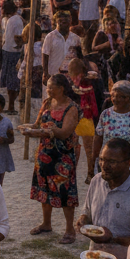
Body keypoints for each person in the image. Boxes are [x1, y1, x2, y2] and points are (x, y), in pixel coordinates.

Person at [26, 74, 81, 243]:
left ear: (62, 88)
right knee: (44, 190)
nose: (48, 90)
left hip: (63, 156)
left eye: (51, 87)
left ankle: (70, 230)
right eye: (47, 87)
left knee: (65, 192)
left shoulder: (72, 108)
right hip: (45, 153)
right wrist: (29, 130)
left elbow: (65, 133)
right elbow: (37, 125)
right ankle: (46, 223)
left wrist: (49, 129)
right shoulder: (47, 103)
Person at [97, 79, 130, 178]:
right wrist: (93, 161)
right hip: (107, 163)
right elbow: (98, 138)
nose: (117, 99)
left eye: (122, 97)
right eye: (114, 96)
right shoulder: (106, 114)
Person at [0, 0, 25, 112]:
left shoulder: (13, 20)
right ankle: (11, 106)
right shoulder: (14, 20)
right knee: (13, 81)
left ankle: (11, 106)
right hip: (11, 52)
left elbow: (16, 37)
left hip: (10, 52)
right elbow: (17, 37)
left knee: (11, 81)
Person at [42, 11, 77, 79]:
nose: (64, 24)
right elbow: (45, 56)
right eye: (60, 21)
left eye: (66, 21)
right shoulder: (50, 37)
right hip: (53, 74)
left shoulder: (75, 38)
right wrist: (45, 73)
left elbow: (79, 56)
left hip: (71, 76)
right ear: (55, 22)